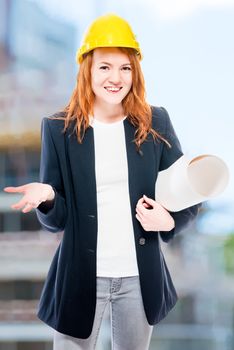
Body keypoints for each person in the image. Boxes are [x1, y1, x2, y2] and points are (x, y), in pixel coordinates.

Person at [4, 13, 201, 350]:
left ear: (134, 72)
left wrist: (167, 220)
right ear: (88, 70)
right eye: (105, 67)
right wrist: (49, 195)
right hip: (80, 278)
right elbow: (58, 220)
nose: (116, 77)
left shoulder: (155, 122)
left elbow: (188, 193)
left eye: (125, 67)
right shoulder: (58, 128)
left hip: (140, 281)